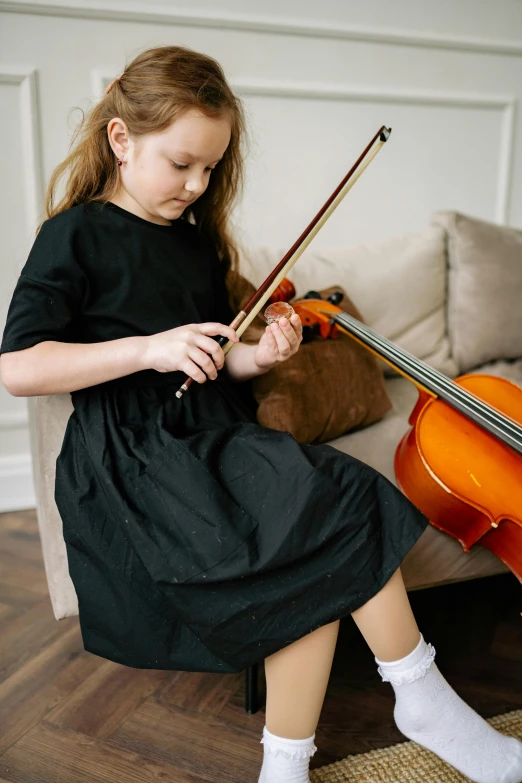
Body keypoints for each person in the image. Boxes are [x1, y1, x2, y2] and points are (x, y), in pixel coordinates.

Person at [0, 44, 520, 783]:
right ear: (122, 140)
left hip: (215, 432)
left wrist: (261, 354)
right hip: (136, 456)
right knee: (328, 511)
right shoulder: (75, 235)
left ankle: (300, 758)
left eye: (211, 167)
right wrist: (148, 348)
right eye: (181, 163)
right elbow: (18, 367)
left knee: (329, 522)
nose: (197, 183)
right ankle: (419, 698)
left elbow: (220, 354)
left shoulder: (194, 243)